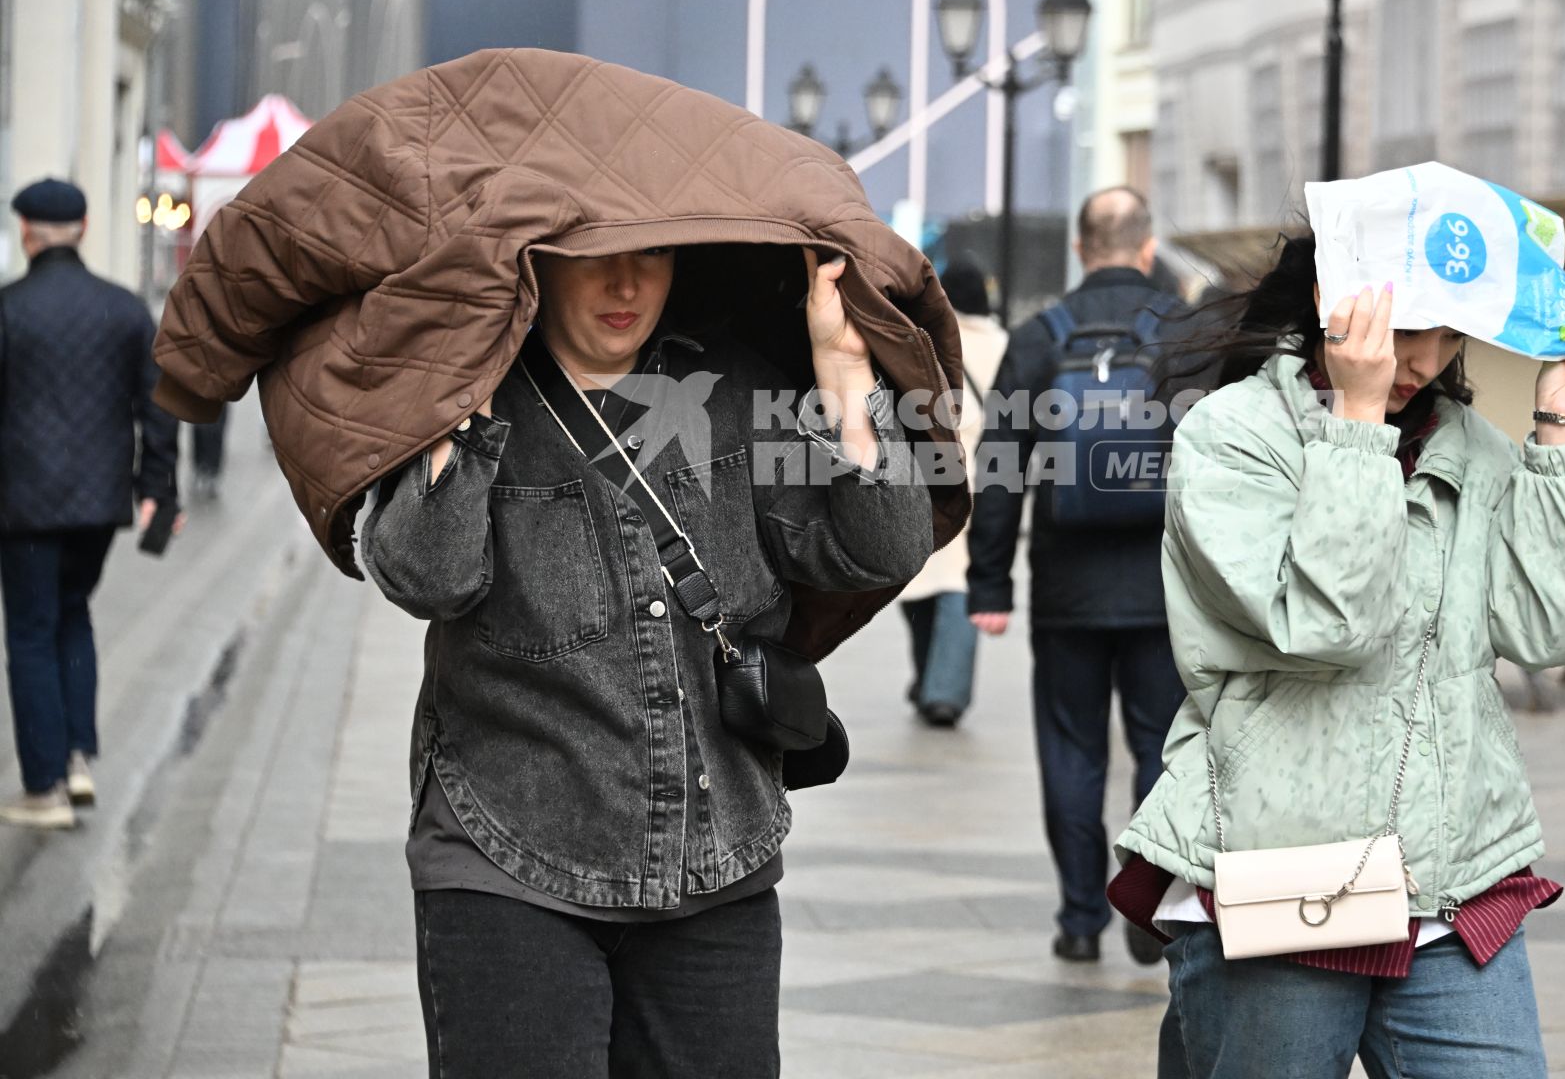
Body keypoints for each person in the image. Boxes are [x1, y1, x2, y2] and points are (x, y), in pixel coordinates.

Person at [360, 242, 933, 1078]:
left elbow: (882, 549)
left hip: (716, 862)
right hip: (511, 859)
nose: (626, 285)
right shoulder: (478, 392)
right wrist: (463, 392)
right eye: (594, 258)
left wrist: (845, 376)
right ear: (537, 267)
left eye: (652, 257)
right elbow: (428, 575)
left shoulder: (733, 386)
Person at [1109, 234, 1565, 1077]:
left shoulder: (1472, 447)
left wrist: (1560, 429)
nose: (1424, 355)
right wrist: (1356, 425)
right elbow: (1325, 625)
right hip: (1283, 871)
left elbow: (1556, 632)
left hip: (1455, 883)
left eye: (1450, 332)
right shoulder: (1234, 435)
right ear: (1332, 298)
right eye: (1408, 323)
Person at [967, 186, 1190, 965]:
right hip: (1169, 592)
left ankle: (1077, 921)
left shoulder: (1038, 337)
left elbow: (997, 469)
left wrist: (989, 584)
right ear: (1147, 244)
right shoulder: (1187, 335)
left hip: (1066, 591)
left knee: (1071, 754)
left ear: (1079, 248)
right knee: (1163, 749)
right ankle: (1151, 904)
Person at [0, 179, 180, 830]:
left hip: (20, 505)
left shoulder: (8, 308)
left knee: (29, 630)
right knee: (73, 615)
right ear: (82, 226)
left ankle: (44, 786)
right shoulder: (125, 309)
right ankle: (77, 760)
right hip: (100, 503)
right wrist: (157, 489)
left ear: (26, 231)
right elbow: (161, 405)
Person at [896, 257, 1007, 727]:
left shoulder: (926, 337)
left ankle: (933, 682)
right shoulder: (1004, 344)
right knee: (959, 583)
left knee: (921, 581)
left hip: (925, 478)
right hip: (981, 481)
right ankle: (943, 688)